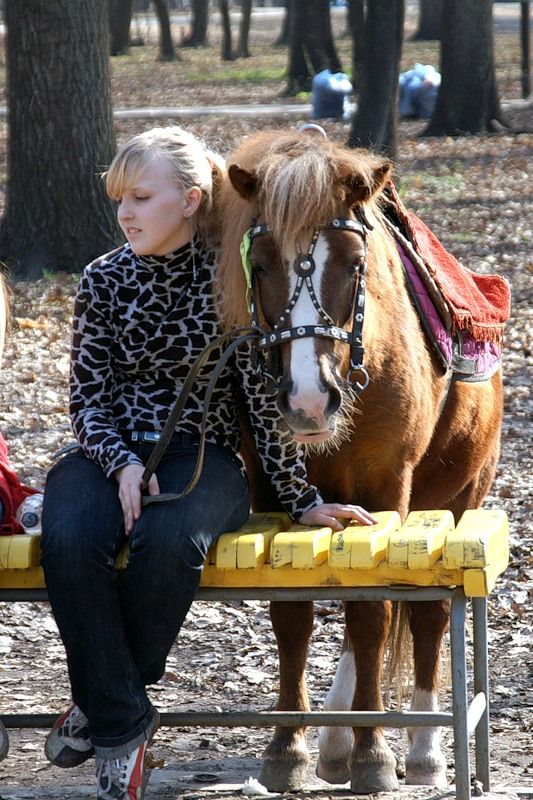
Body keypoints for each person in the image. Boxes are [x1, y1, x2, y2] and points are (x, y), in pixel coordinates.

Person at [40, 126, 375, 800]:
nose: (125, 212)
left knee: (168, 542)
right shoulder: (102, 279)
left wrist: (301, 498)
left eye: (140, 197)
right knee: (69, 538)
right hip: (106, 455)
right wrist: (120, 464)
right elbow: (88, 397)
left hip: (205, 460)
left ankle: (101, 707)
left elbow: (259, 401)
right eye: (119, 200)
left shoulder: (231, 280)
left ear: (191, 200)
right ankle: (121, 716)